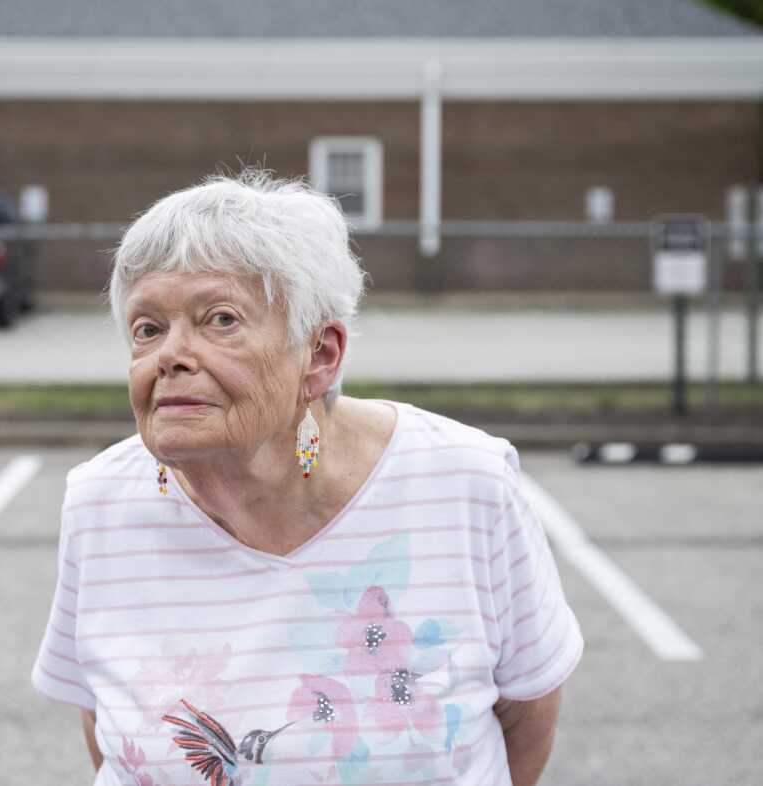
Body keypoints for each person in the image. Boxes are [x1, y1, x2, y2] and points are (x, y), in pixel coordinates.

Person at [31, 169, 583, 786]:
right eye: (148, 329)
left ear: (320, 355)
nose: (170, 356)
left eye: (219, 320)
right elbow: (111, 737)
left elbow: (527, 720)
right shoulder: (98, 502)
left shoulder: (463, 483)